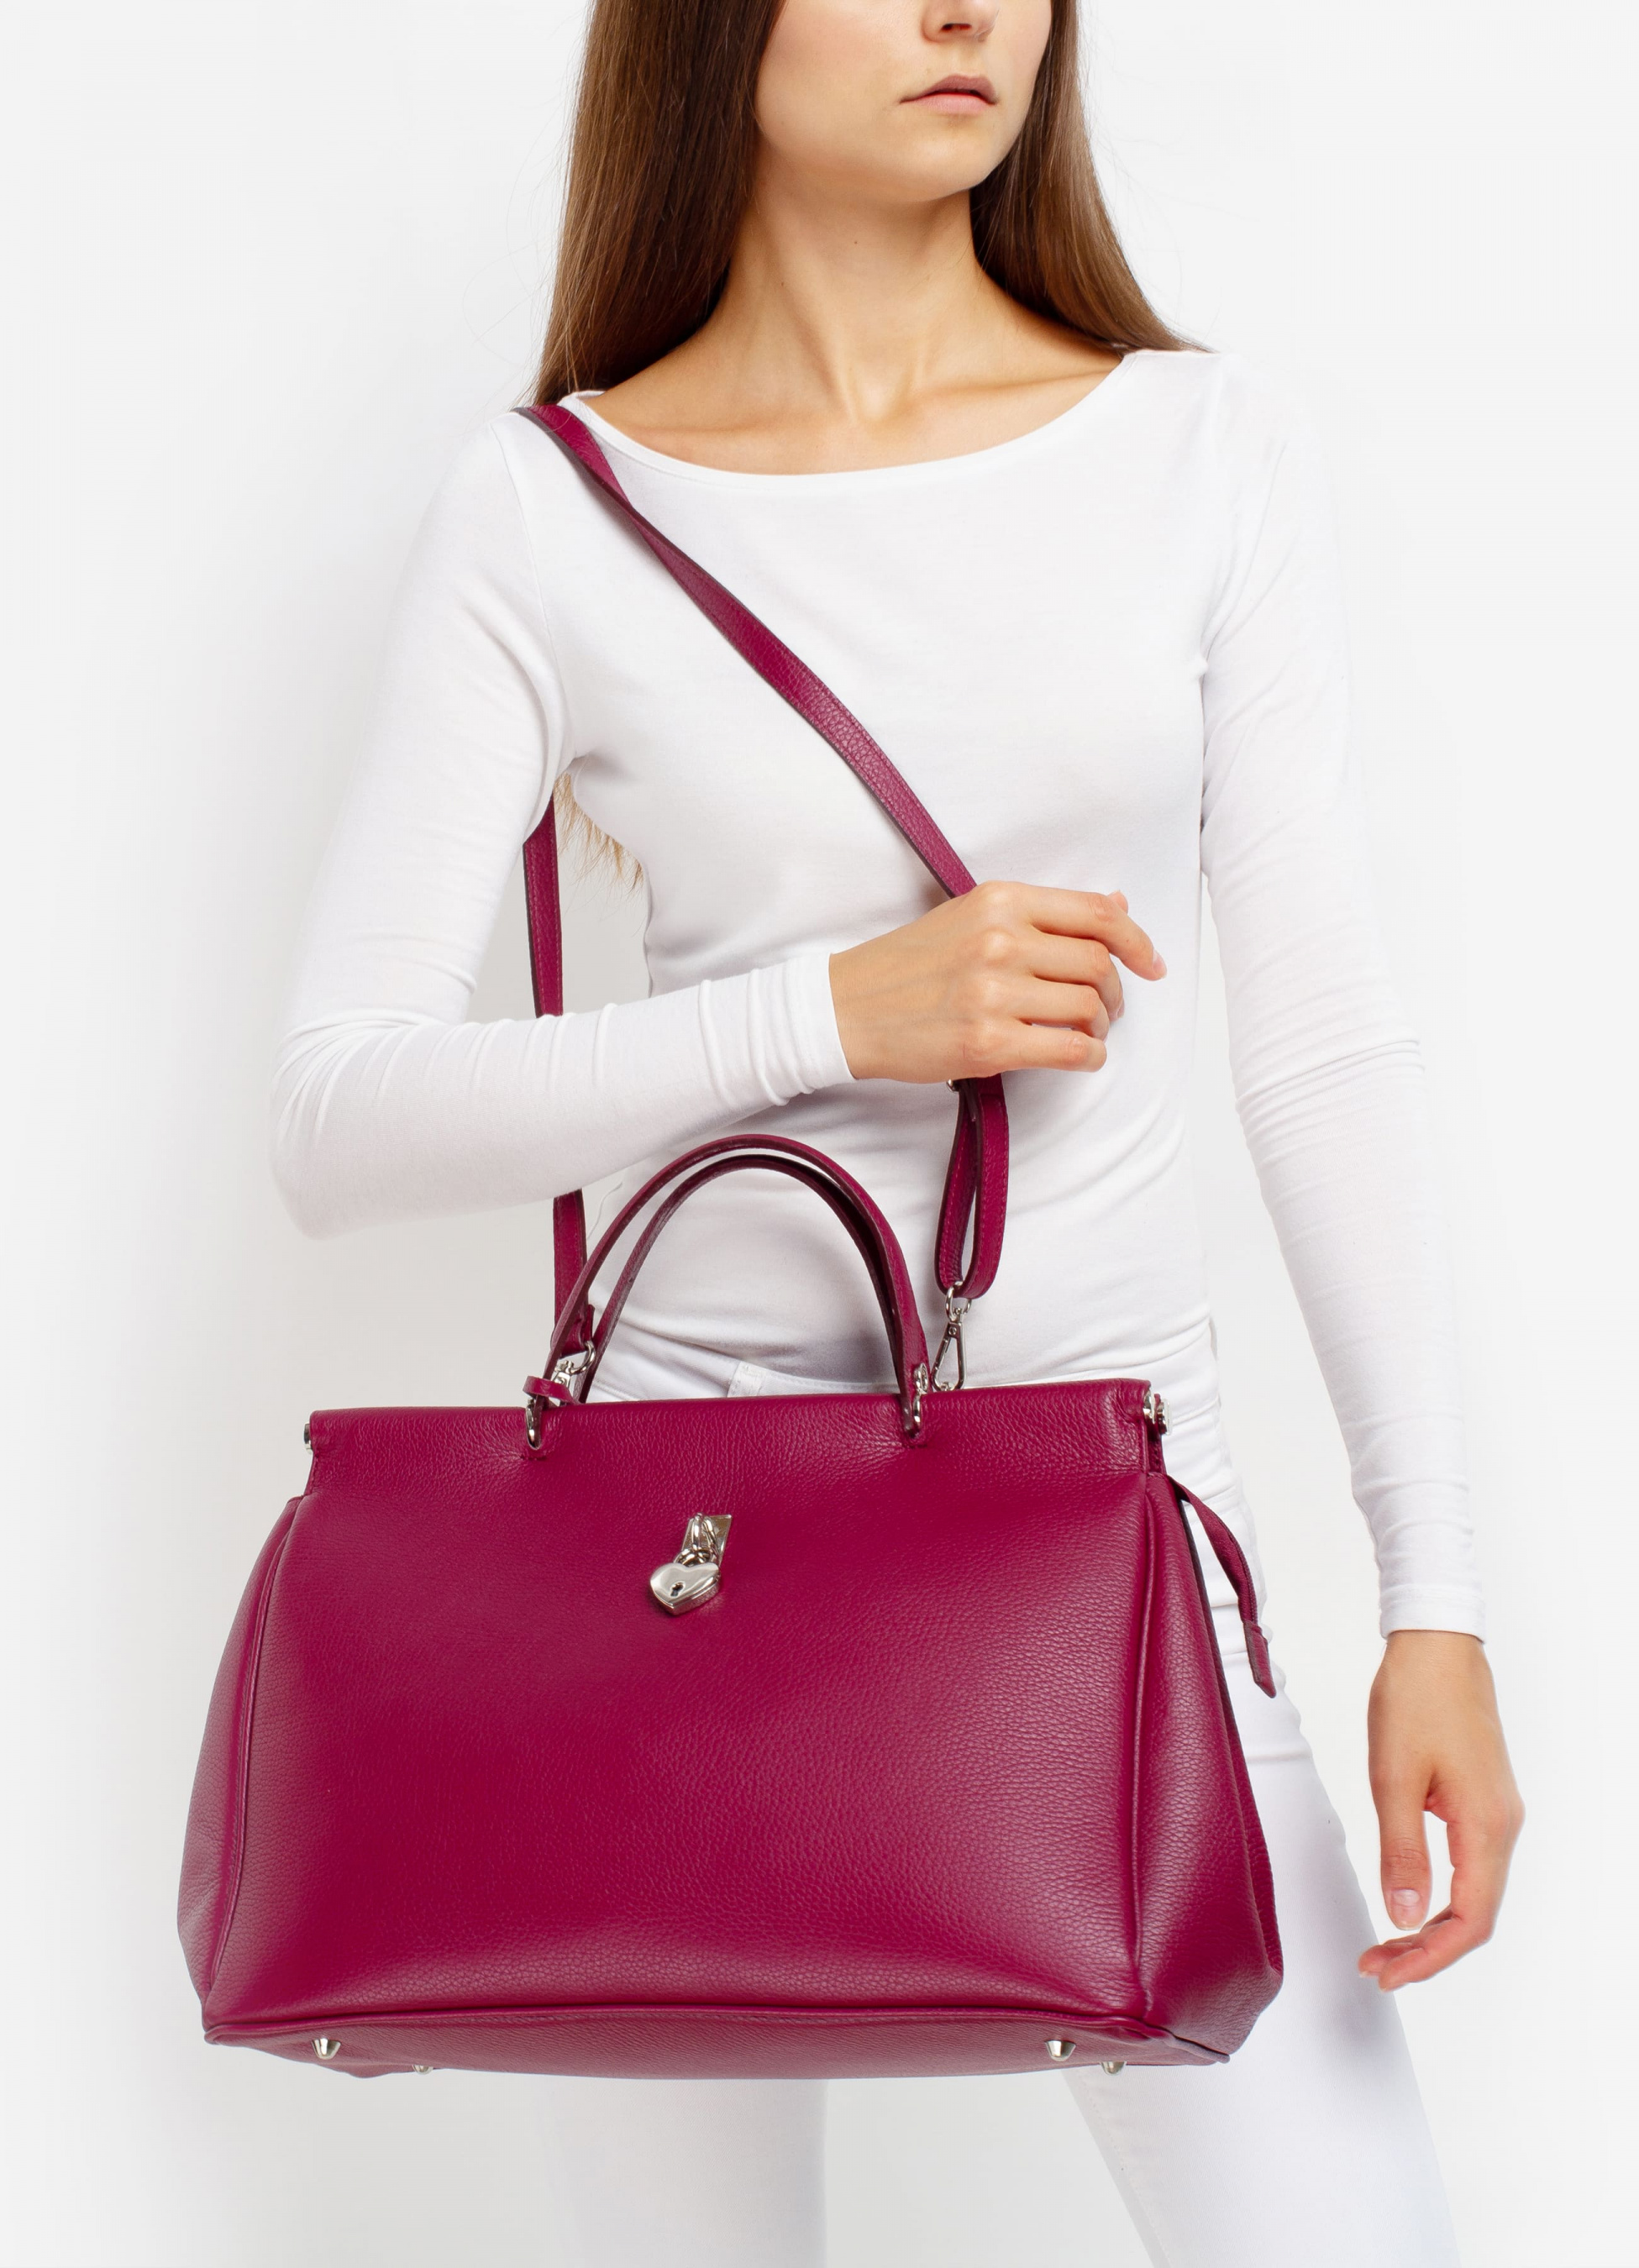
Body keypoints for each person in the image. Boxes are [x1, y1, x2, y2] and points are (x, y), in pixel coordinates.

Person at [271, 2, 1523, 2260]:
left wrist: (1429, 1599)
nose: (968, 11)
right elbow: (337, 1111)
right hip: (666, 1571)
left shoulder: (1196, 448)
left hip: (1116, 1526)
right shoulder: (550, 508)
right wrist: (831, 1013)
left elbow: (1324, 1044)